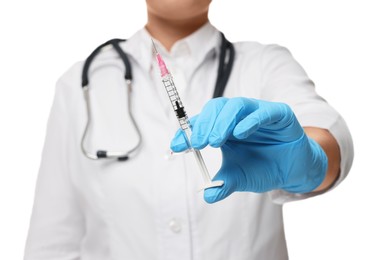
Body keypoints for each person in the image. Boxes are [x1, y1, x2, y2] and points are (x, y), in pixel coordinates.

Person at [24, 0, 354, 259]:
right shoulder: (83, 82)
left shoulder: (265, 64)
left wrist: (310, 162)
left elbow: (325, 131)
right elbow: (52, 243)